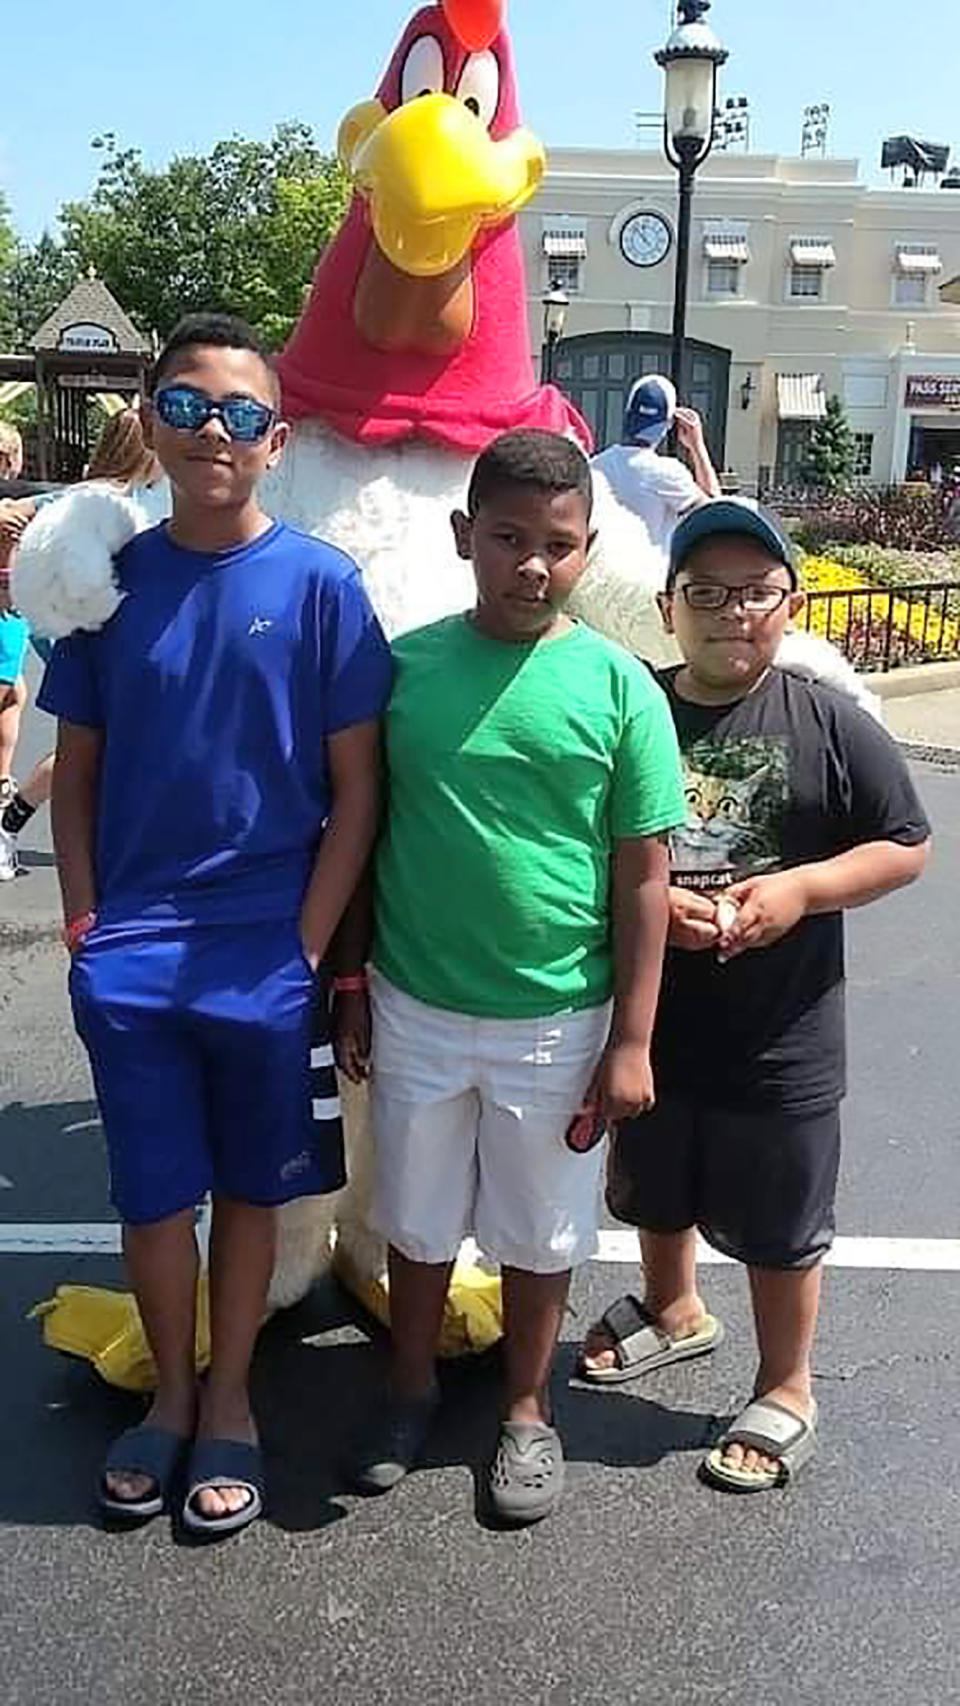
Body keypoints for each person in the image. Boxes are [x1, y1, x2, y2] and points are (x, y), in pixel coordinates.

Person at [39, 312, 392, 1536]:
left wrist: (305, 946)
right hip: (130, 950)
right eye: (187, 407)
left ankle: (232, 1395)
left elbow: (359, 791)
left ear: (276, 438)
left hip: (264, 952)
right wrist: (81, 917)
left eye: (242, 415)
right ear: (151, 420)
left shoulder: (321, 586)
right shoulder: (109, 585)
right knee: (150, 1196)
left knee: (251, 1186)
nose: (214, 434)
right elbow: (72, 770)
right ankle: (174, 1397)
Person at [342, 430, 686, 1525]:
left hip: (559, 1017)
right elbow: (361, 828)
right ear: (464, 537)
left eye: (558, 543)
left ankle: (529, 1407)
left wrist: (631, 1036)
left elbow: (643, 872)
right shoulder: (403, 669)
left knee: (542, 1229)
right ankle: (407, 1384)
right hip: (413, 1001)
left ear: (587, 552)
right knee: (417, 1211)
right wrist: (349, 978)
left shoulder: (620, 686)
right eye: (507, 538)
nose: (532, 564)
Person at [579, 501, 931, 1492]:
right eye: (707, 592)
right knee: (653, 1178)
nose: (733, 611)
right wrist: (655, 907)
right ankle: (672, 1304)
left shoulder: (829, 719)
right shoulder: (634, 707)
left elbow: (906, 843)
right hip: (655, 1019)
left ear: (793, 601)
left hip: (785, 1031)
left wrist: (801, 889)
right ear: (667, 606)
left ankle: (788, 1382)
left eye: (757, 592)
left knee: (782, 1220)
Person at [591, 373, 721, 582]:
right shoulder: (666, 472)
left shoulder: (595, 466)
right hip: (649, 586)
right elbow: (715, 511)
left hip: (600, 583)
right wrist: (697, 447)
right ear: (668, 424)